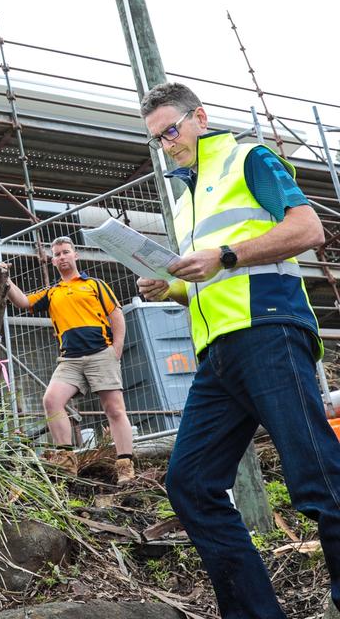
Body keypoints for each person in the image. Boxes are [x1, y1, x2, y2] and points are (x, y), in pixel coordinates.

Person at [138, 82, 337, 619]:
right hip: (218, 355)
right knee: (191, 484)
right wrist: (171, 287)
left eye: (171, 130)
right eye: (157, 140)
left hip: (269, 331)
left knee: (318, 476)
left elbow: (308, 228)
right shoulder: (185, 200)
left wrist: (225, 255)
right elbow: (207, 279)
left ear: (199, 117)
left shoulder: (247, 157)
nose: (167, 144)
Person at [2, 235, 135, 484]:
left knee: (114, 409)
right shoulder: (53, 293)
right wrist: (5, 280)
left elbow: (115, 314)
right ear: (53, 261)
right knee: (51, 400)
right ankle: (66, 463)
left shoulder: (95, 285)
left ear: (75, 255)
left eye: (65, 252)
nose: (62, 257)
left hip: (101, 353)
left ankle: (125, 465)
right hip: (70, 359)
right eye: (57, 254)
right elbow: (22, 301)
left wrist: (116, 349)